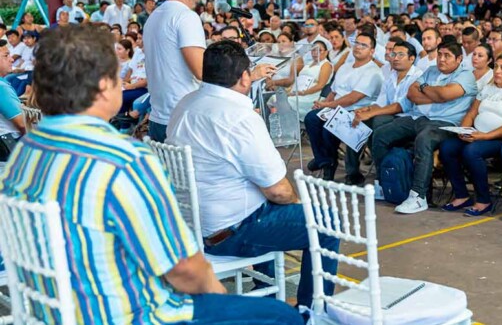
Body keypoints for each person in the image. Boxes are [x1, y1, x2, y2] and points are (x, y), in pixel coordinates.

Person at [1, 26, 302, 324]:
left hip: (57, 313)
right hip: (137, 315)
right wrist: (222, 302)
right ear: (105, 86)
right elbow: (183, 271)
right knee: (282, 317)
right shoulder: (123, 161)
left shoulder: (25, 156)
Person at [167, 40, 336, 314]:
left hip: (192, 225)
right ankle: (311, 311)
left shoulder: (185, 104)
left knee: (259, 203)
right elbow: (278, 190)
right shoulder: (239, 116)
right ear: (245, 77)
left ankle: (265, 290)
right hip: (230, 232)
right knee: (326, 221)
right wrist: (295, 204)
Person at [372, 41, 478, 214]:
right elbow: (412, 94)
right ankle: (386, 182)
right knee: (381, 134)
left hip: (446, 123)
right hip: (419, 117)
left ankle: (418, 196)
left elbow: (445, 94)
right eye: (440, 55)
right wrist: (436, 95)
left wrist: (429, 91)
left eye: (447, 56)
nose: (441, 59)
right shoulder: (430, 70)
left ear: (459, 59)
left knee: (424, 139)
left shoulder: (466, 75)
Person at [440, 55, 502, 216]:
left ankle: (483, 200)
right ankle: (461, 195)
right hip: (477, 134)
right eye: (496, 66)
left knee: (472, 152)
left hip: (501, 138)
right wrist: (464, 130)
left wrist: (485, 136)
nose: (497, 71)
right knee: (447, 147)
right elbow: (472, 112)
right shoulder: (488, 88)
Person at [143, 0, 208, 142]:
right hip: (183, 119)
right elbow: (203, 71)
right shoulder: (185, 17)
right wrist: (247, 76)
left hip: (159, 117)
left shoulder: (155, 16)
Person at [304, 34, 383, 181]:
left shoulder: (373, 72)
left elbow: (353, 98)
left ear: (372, 51)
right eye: (356, 43)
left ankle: (329, 166)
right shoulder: (345, 67)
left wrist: (327, 105)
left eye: (363, 45)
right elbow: (334, 91)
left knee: (329, 128)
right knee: (311, 117)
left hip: (357, 111)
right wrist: (322, 105)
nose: (358, 47)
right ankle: (323, 159)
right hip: (336, 109)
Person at [351, 41, 422, 184]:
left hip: (410, 118)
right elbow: (381, 102)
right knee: (357, 122)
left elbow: (401, 106)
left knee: (377, 123)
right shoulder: (392, 76)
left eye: (400, 55)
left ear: (412, 58)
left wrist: (371, 113)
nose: (395, 58)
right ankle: (352, 171)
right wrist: (366, 109)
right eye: (393, 54)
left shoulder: (417, 76)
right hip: (391, 115)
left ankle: (384, 177)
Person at [284, 40, 333, 118]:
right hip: (298, 92)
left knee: (284, 102)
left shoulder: (326, 64)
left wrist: (303, 92)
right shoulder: (308, 63)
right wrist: (291, 90)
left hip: (311, 96)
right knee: (274, 98)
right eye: (313, 50)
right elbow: (299, 79)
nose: (315, 53)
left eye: (319, 50)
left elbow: (320, 85)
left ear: (326, 52)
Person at [0, 40, 24, 162]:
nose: (11, 59)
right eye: (6, 56)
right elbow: (22, 124)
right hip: (8, 144)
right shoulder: (1, 88)